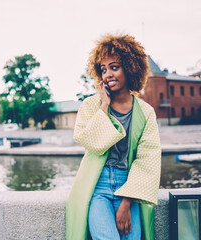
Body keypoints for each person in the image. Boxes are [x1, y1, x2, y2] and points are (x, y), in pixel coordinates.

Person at [65, 33, 161, 240]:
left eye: (114, 67)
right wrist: (105, 107)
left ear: (130, 67)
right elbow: (91, 143)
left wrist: (127, 202)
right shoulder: (91, 105)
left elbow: (147, 161)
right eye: (103, 69)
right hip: (96, 186)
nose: (107, 74)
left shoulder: (145, 112)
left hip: (128, 187)